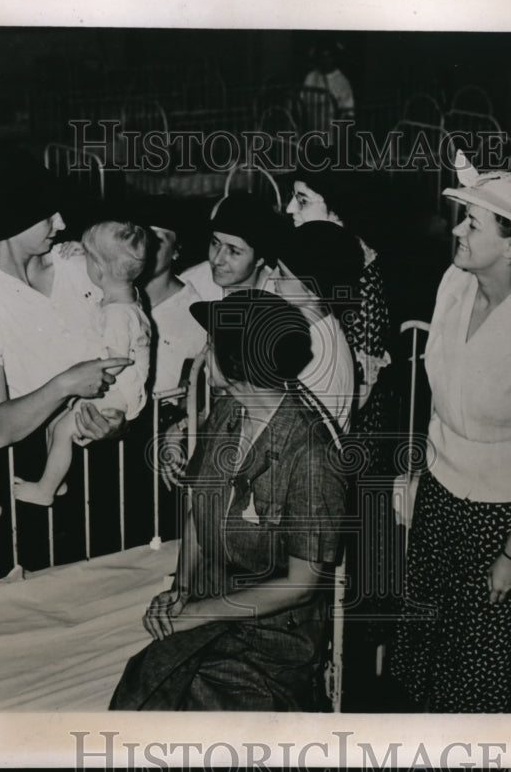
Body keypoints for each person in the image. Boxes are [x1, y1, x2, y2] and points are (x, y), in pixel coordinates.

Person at [391, 152, 511, 712]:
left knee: (477, 658)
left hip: (497, 515)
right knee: (423, 631)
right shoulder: (454, 283)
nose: (457, 230)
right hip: (439, 489)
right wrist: (421, 473)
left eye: (473, 223)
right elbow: (443, 393)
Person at [109, 289, 346, 711]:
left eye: (212, 343)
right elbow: (200, 507)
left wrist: (197, 613)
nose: (203, 353)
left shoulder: (311, 454)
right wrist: (182, 589)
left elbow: (301, 584)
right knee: (146, 688)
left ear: (239, 363)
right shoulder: (226, 412)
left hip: (272, 638)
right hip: (213, 608)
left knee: (188, 705)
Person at [0, 152, 131, 458]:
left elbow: (131, 336)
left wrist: (120, 419)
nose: (61, 223)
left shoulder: (79, 265)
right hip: (37, 463)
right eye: (48, 215)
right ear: (13, 219)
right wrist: (65, 384)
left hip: (110, 453)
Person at [12, 220, 151, 506]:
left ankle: (45, 490)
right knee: (55, 426)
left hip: (118, 392)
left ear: (98, 269)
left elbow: (113, 363)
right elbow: (107, 266)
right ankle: (56, 480)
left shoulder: (117, 314)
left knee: (63, 430)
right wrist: (84, 249)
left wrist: (79, 372)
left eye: (87, 256)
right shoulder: (129, 295)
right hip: (120, 389)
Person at [285, 170, 392, 440]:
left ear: (338, 209)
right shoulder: (317, 256)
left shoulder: (363, 278)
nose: (290, 208)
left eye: (303, 200)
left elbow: (360, 391)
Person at [269, 220, 362, 434]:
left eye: (282, 274)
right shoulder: (316, 331)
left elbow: (303, 447)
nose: (273, 276)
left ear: (313, 290)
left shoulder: (317, 362)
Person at [135, 196, 206, 399]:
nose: (145, 248)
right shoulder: (118, 292)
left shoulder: (194, 312)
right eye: (141, 238)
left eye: (157, 241)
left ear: (176, 251)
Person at [178, 193, 279, 302]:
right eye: (215, 243)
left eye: (234, 251)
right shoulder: (189, 284)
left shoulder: (281, 295)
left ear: (259, 260)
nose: (217, 260)